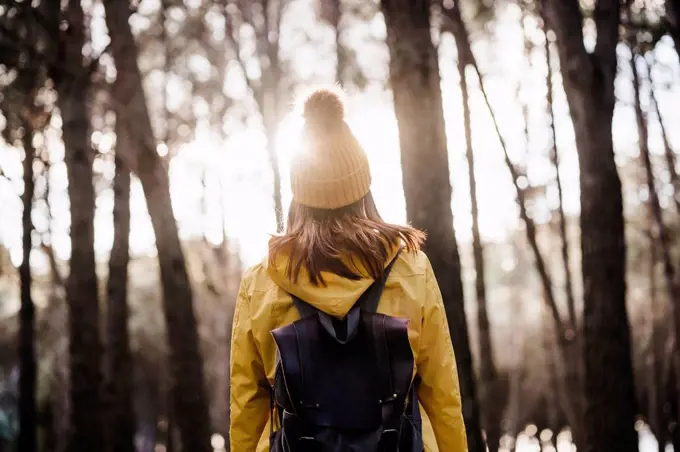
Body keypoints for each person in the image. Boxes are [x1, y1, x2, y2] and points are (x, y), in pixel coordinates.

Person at [229, 87, 468, 452]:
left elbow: (247, 406)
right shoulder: (412, 269)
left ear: (299, 194)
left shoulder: (262, 282)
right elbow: (442, 394)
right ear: (363, 190)